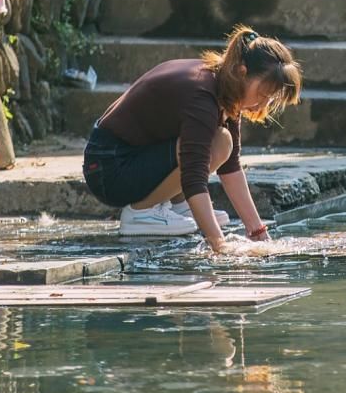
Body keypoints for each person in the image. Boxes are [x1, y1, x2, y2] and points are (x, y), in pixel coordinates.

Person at [81, 26, 302, 251]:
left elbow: (230, 166)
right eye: (262, 95)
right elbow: (193, 175)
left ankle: (178, 205)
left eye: (270, 100)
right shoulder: (202, 95)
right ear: (242, 72)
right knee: (219, 143)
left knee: (223, 144)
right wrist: (219, 245)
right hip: (108, 169)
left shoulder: (225, 86)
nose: (262, 105)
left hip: (127, 157)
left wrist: (257, 232)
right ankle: (142, 213)